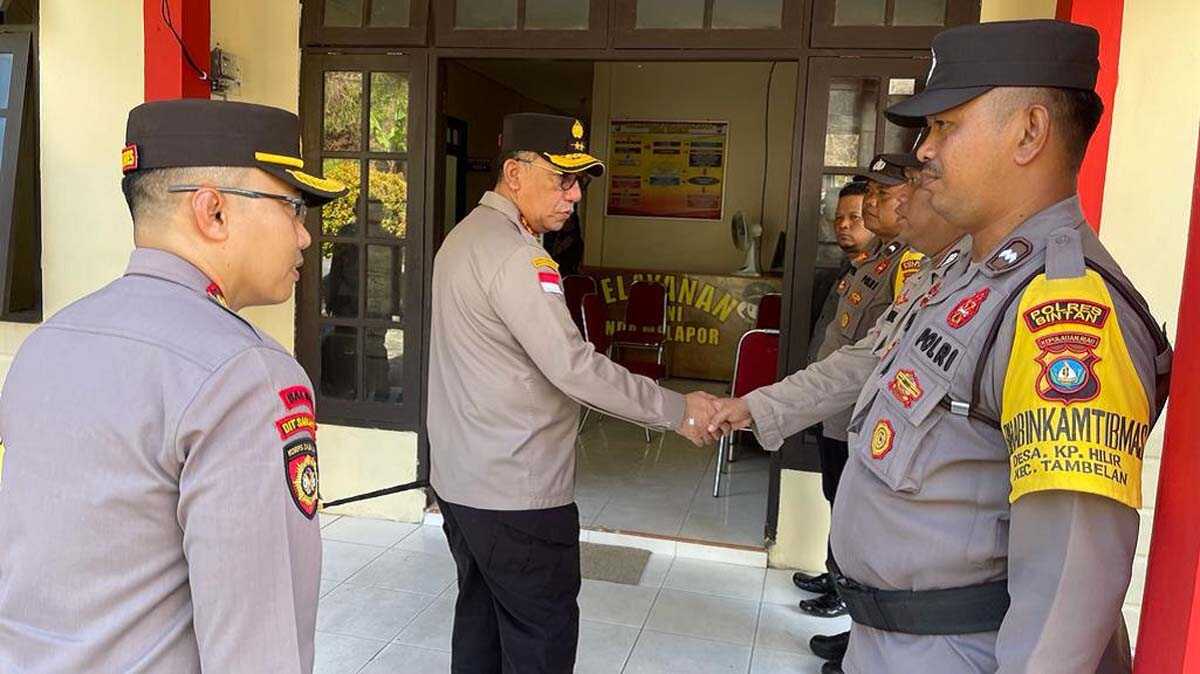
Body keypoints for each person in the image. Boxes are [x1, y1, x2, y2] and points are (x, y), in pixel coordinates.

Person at [751, 20, 1173, 673]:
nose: (923, 150)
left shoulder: (1063, 313)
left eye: (946, 125)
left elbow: (1069, 587)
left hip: (959, 650)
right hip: (893, 641)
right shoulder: (963, 272)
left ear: (1029, 132)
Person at [0, 99, 345, 673]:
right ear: (213, 212)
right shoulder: (244, 375)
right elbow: (256, 651)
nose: (304, 236)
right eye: (293, 207)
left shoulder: (46, 343)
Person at [427, 112, 717, 673]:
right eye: (563, 178)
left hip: (462, 484)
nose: (575, 194)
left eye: (580, 180)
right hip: (517, 494)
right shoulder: (518, 255)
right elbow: (575, 368)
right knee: (540, 641)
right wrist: (677, 409)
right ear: (514, 172)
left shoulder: (461, 239)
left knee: (480, 626)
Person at [708, 154, 972, 671]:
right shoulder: (933, 273)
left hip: (948, 568)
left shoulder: (1011, 278)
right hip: (876, 460)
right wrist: (754, 407)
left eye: (897, 189)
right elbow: (861, 357)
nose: (875, 205)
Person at [792, 154, 925, 621]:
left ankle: (850, 606)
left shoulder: (910, 265)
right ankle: (839, 586)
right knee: (837, 500)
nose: (867, 208)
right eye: (864, 197)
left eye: (878, 197)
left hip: (862, 417)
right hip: (836, 409)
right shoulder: (878, 262)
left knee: (856, 514)